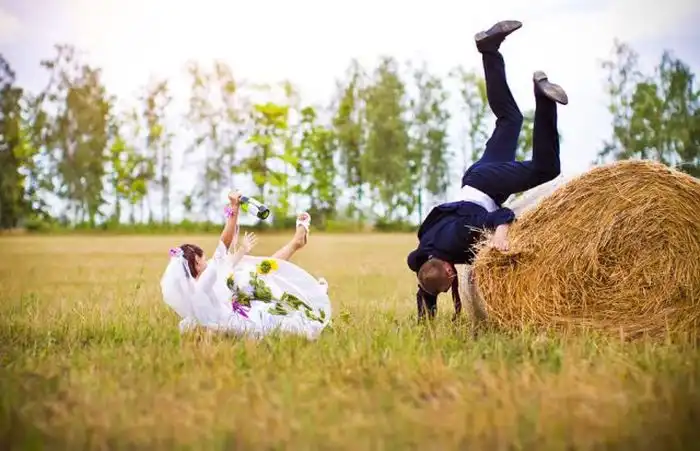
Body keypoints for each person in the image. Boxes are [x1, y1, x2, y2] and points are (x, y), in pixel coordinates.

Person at [406, 19, 569, 320]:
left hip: (487, 186)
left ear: (448, 270)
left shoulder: (457, 238)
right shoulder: (425, 255)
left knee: (547, 168)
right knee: (510, 120)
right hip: (476, 177)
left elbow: (500, 216)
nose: (450, 285)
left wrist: (501, 236)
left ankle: (544, 99)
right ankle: (489, 50)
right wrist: (425, 319)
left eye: (448, 283)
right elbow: (426, 284)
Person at [160, 191, 332, 340]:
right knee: (257, 275)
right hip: (246, 321)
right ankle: (309, 282)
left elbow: (227, 260)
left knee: (256, 271)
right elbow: (224, 245)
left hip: (239, 312)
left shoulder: (192, 296)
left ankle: (296, 245)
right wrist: (234, 208)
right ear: (197, 263)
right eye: (202, 256)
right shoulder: (206, 280)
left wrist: (242, 249)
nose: (206, 257)